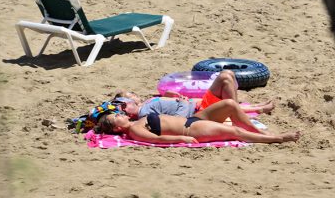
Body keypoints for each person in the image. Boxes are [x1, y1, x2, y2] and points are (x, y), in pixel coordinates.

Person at [113, 70, 274, 121]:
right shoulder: (144, 114)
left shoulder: (148, 102)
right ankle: (245, 112)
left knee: (228, 75)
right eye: (130, 96)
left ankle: (253, 108)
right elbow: (174, 120)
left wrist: (172, 97)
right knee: (224, 77)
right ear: (126, 106)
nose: (133, 96)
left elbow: (167, 107)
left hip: (199, 104)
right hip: (199, 111)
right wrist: (182, 103)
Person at [97, 106, 300, 145]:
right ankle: (278, 138)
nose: (121, 114)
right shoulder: (134, 130)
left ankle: (260, 132)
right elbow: (157, 139)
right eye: (117, 117)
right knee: (236, 132)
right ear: (117, 128)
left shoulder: (137, 120)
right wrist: (181, 138)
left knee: (229, 105)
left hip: (194, 118)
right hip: (192, 129)